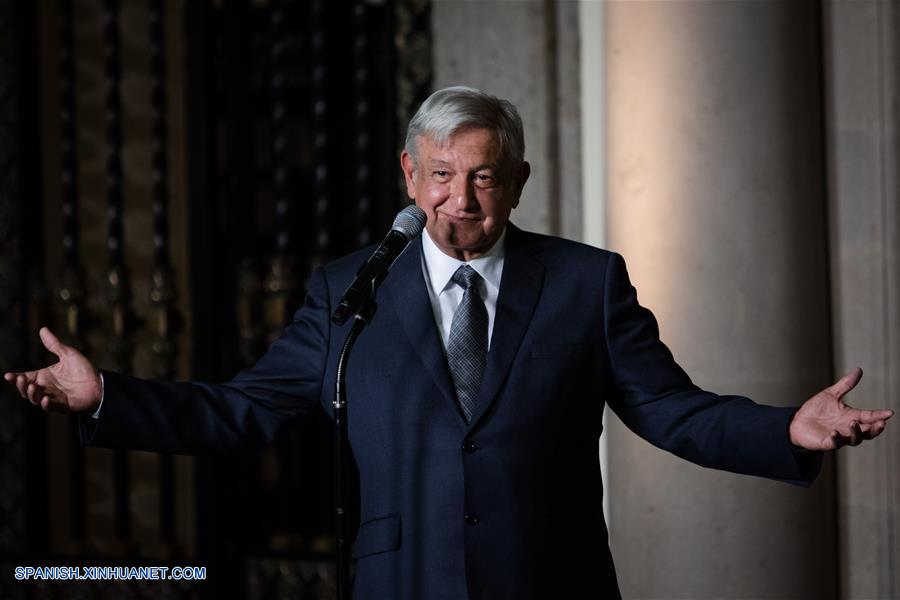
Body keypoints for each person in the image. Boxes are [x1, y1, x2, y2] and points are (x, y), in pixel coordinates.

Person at [4, 86, 893, 600]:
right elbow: (246, 410)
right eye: (440, 176)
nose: (459, 200)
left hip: (553, 583)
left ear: (518, 181)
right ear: (409, 175)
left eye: (482, 178)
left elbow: (669, 409)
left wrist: (785, 429)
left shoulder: (585, 282)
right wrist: (106, 397)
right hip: (404, 583)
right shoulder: (351, 289)